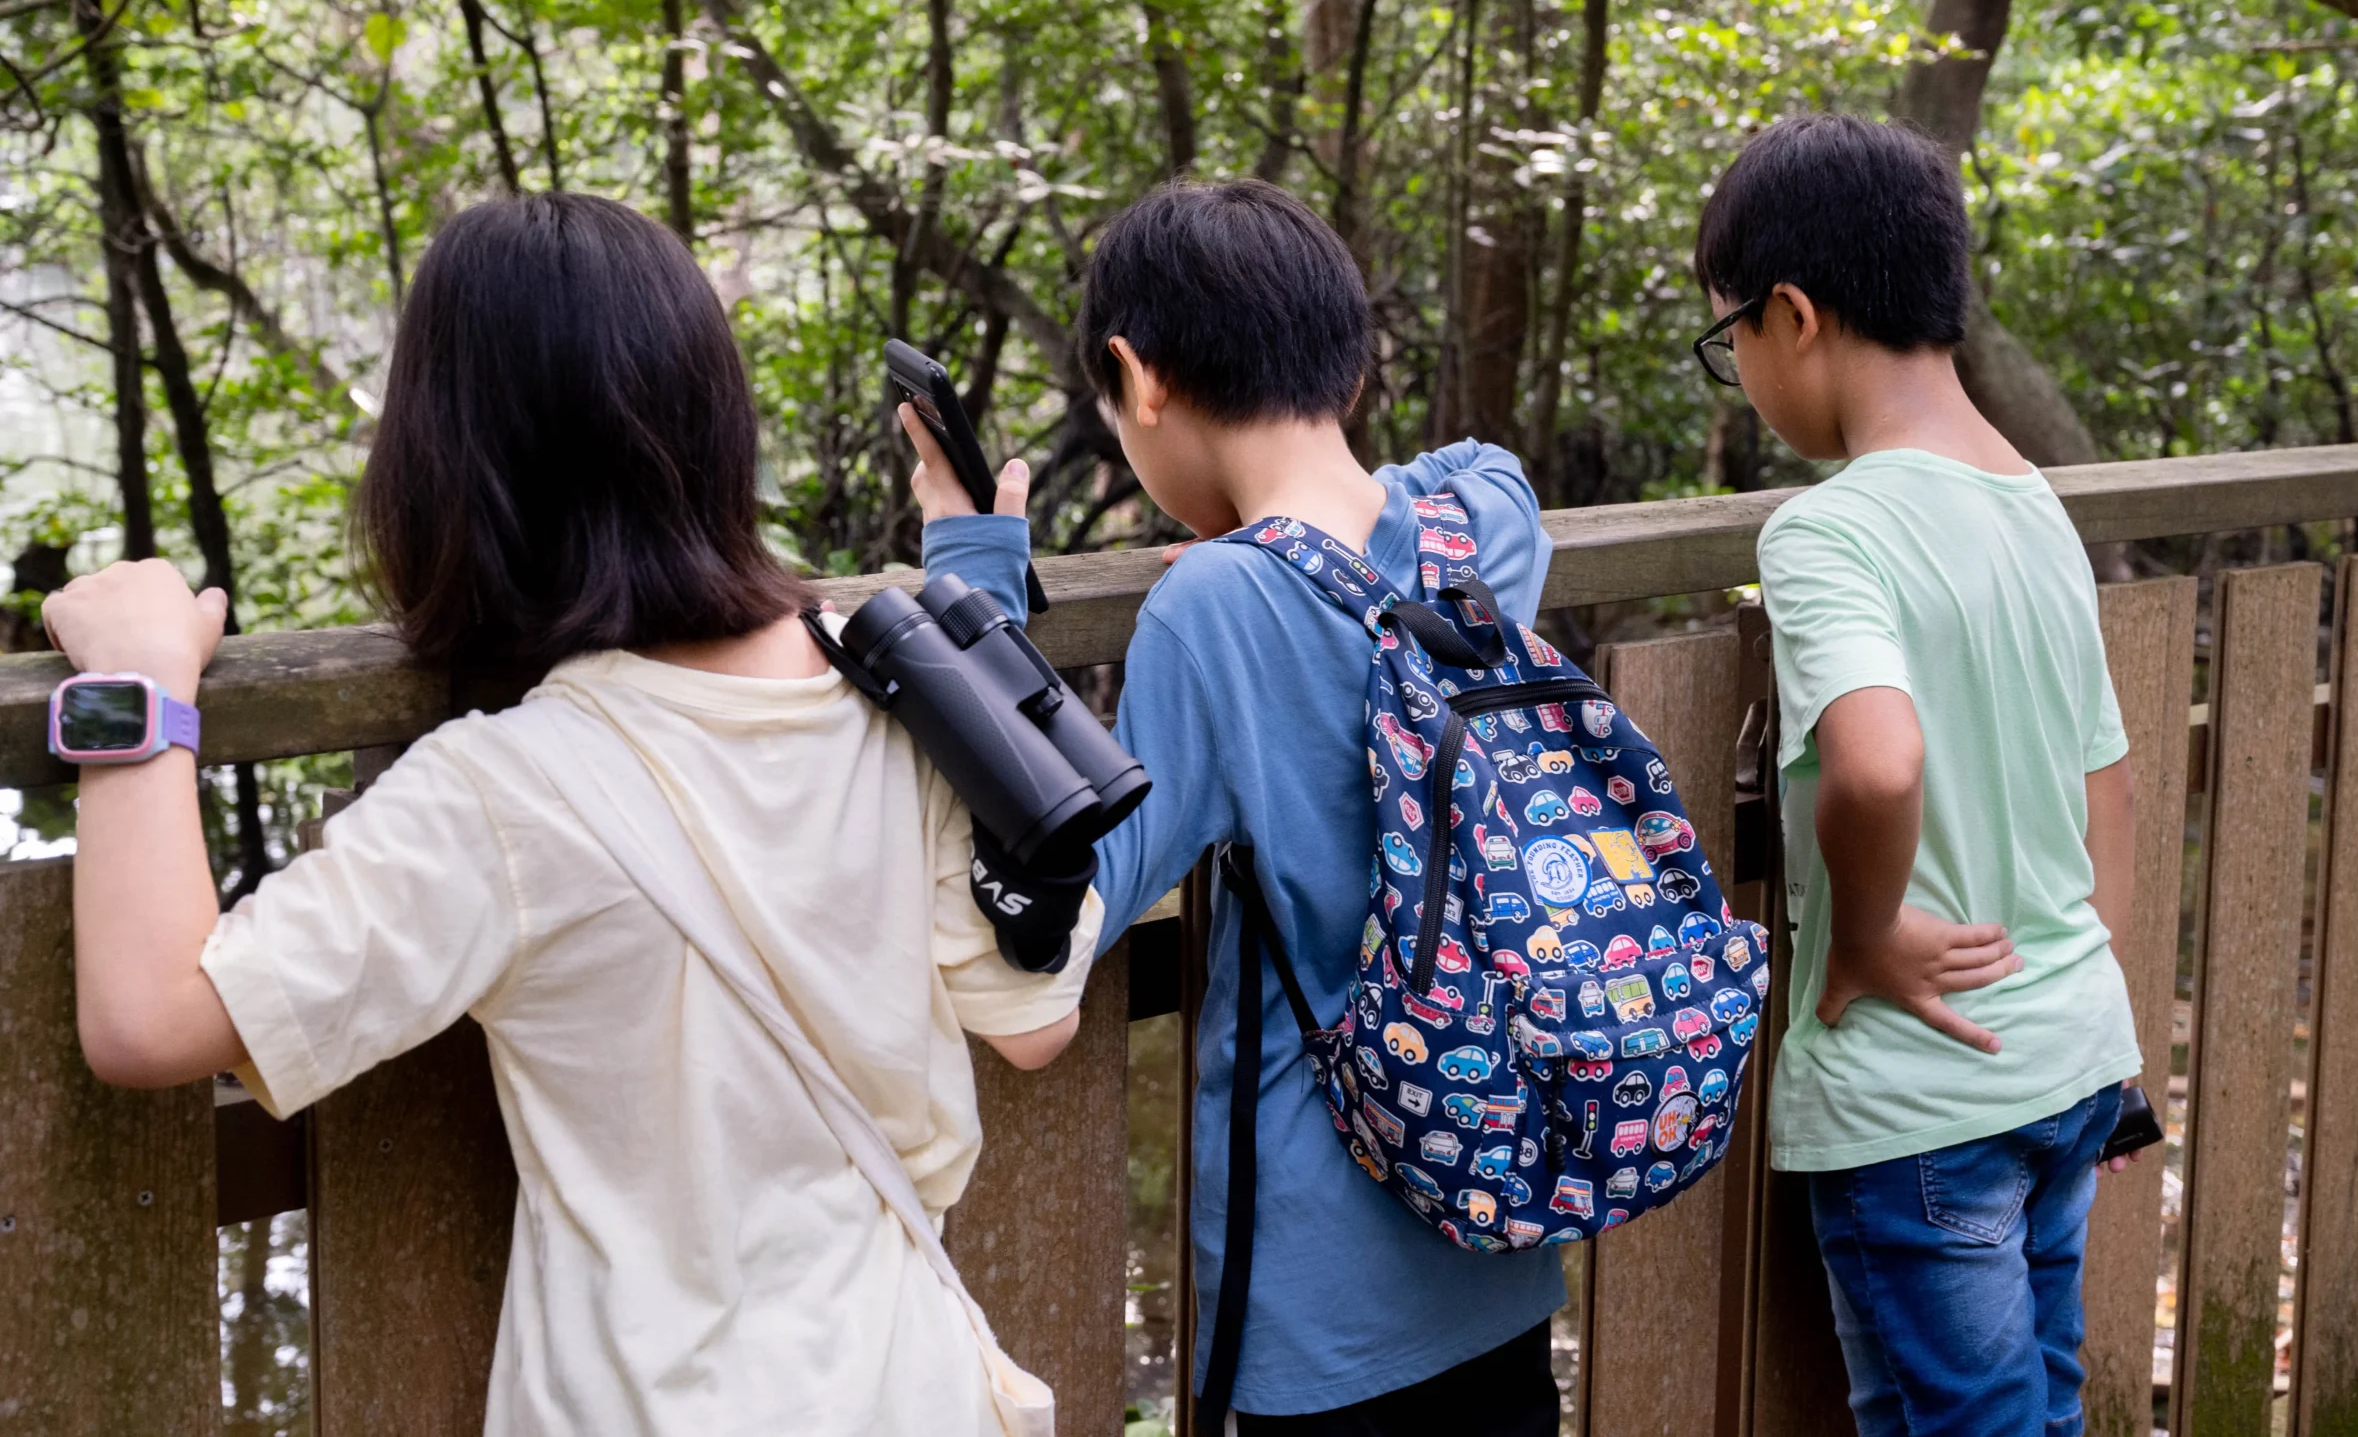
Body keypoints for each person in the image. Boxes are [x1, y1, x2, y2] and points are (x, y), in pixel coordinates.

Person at [42, 192, 1097, 1436]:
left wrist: (134, 691)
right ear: (712, 423)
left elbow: (149, 1019)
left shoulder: (505, 794)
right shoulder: (887, 683)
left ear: (451, 467)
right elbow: (1034, 1022)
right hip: (908, 1389)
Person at [917, 178, 1564, 1434]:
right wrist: (1294, 522)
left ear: (1137, 378)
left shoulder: (1213, 607)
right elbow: (1476, 469)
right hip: (1497, 1234)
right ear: (1350, 369)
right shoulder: (1479, 527)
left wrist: (974, 580)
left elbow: (1057, 932)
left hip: (1319, 1308)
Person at [1690, 115, 2143, 1437]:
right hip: (2065, 1062)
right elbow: (2107, 789)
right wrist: (2083, 1007)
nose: (1740, 372)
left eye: (1728, 340)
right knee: (2038, 1408)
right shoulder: (2034, 503)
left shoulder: (1831, 529)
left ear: (1791, 314)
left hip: (1921, 1098)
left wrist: (1865, 938)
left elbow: (1879, 766)